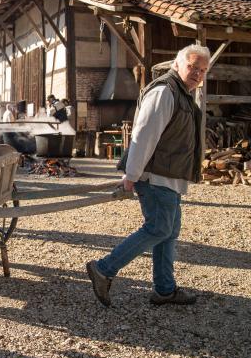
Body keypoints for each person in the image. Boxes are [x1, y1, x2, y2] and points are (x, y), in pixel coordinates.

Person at [86, 44, 209, 307]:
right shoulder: (165, 91)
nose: (197, 74)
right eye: (192, 67)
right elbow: (143, 136)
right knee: (158, 228)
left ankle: (164, 290)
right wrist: (131, 175)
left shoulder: (184, 93)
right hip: (155, 177)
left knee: (169, 232)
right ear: (177, 64)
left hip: (171, 178)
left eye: (202, 70)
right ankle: (104, 269)